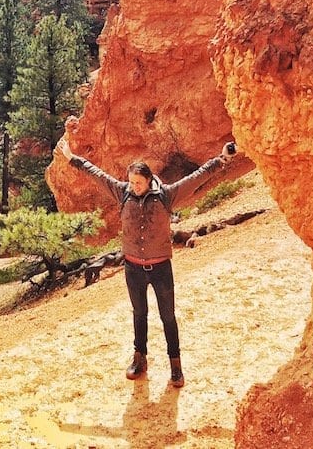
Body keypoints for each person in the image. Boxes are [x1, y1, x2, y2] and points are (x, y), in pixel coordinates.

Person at [57, 134, 237, 387]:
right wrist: (72, 159)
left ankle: (176, 365)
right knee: (139, 314)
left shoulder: (166, 195)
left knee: (168, 317)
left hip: (161, 267)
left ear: (149, 180)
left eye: (138, 182)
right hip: (133, 268)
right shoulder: (123, 193)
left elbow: (197, 177)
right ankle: (139, 358)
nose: (134, 186)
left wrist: (223, 159)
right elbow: (97, 175)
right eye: (131, 182)